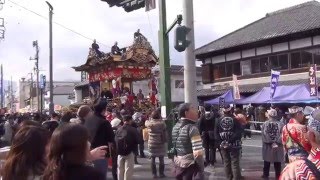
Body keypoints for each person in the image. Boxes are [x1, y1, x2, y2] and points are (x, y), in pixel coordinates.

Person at [280, 109, 320, 179]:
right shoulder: (302, 128)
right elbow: (306, 144)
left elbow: (284, 142)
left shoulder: (285, 127)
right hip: (304, 155)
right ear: (298, 114)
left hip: (291, 155)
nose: (303, 115)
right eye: (302, 113)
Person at [172, 103, 204, 180]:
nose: (197, 111)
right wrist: (201, 167)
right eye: (193, 108)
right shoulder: (192, 128)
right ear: (186, 113)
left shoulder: (175, 126)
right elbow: (198, 152)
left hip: (178, 163)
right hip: (190, 166)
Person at [84, 98, 115, 176]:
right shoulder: (104, 122)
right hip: (101, 153)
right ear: (103, 109)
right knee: (100, 176)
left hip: (87, 152)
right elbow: (111, 138)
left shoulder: (88, 119)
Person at [215, 105, 244, 180]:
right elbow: (239, 132)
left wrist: (221, 142)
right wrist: (230, 141)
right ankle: (236, 177)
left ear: (223, 111)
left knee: (226, 162)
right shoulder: (235, 120)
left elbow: (216, 133)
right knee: (235, 162)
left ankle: (229, 177)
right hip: (234, 144)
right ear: (230, 110)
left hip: (223, 145)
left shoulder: (218, 120)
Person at [115, 115, 141, 180]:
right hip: (130, 151)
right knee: (128, 169)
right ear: (130, 120)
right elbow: (139, 140)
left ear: (123, 121)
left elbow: (115, 140)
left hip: (120, 152)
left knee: (120, 169)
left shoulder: (119, 129)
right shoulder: (133, 130)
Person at [261, 109, 284, 179]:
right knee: (277, 161)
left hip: (268, 145)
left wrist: (270, 142)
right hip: (278, 145)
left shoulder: (265, 124)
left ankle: (266, 175)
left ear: (269, 115)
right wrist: (276, 142)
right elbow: (282, 134)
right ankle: (278, 176)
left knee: (267, 160)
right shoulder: (280, 124)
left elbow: (264, 134)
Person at [145, 108, 167, 178]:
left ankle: (154, 174)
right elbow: (165, 127)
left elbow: (146, 122)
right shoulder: (162, 123)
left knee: (153, 159)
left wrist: (149, 118)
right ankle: (161, 173)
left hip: (152, 143)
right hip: (160, 142)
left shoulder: (149, 123)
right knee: (161, 159)